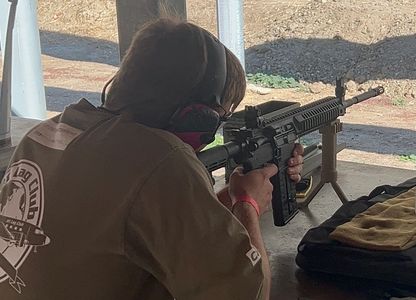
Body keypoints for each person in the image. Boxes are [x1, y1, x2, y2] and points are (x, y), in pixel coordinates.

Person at [0, 17, 303, 299]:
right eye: (219, 118)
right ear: (196, 117)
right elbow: (249, 291)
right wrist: (248, 204)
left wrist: (229, 199)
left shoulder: (44, 135)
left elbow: (131, 221)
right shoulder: (161, 160)